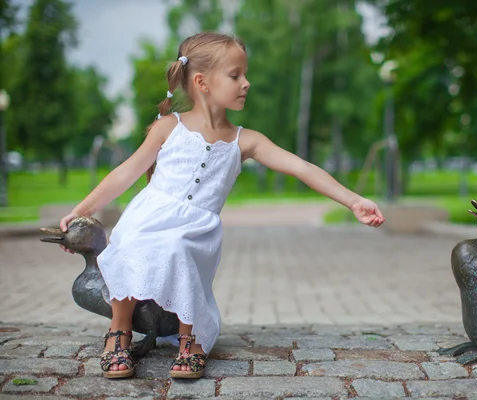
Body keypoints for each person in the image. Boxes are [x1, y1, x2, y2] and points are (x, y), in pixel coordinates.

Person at [59, 32, 385, 380]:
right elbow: (126, 173)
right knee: (130, 241)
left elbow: (302, 167)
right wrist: (82, 209)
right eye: (235, 75)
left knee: (178, 246)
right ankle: (119, 330)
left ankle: (191, 338)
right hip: (150, 213)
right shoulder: (168, 127)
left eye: (244, 74)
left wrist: (353, 200)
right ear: (202, 82)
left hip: (196, 228)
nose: (246, 83)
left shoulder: (246, 140)